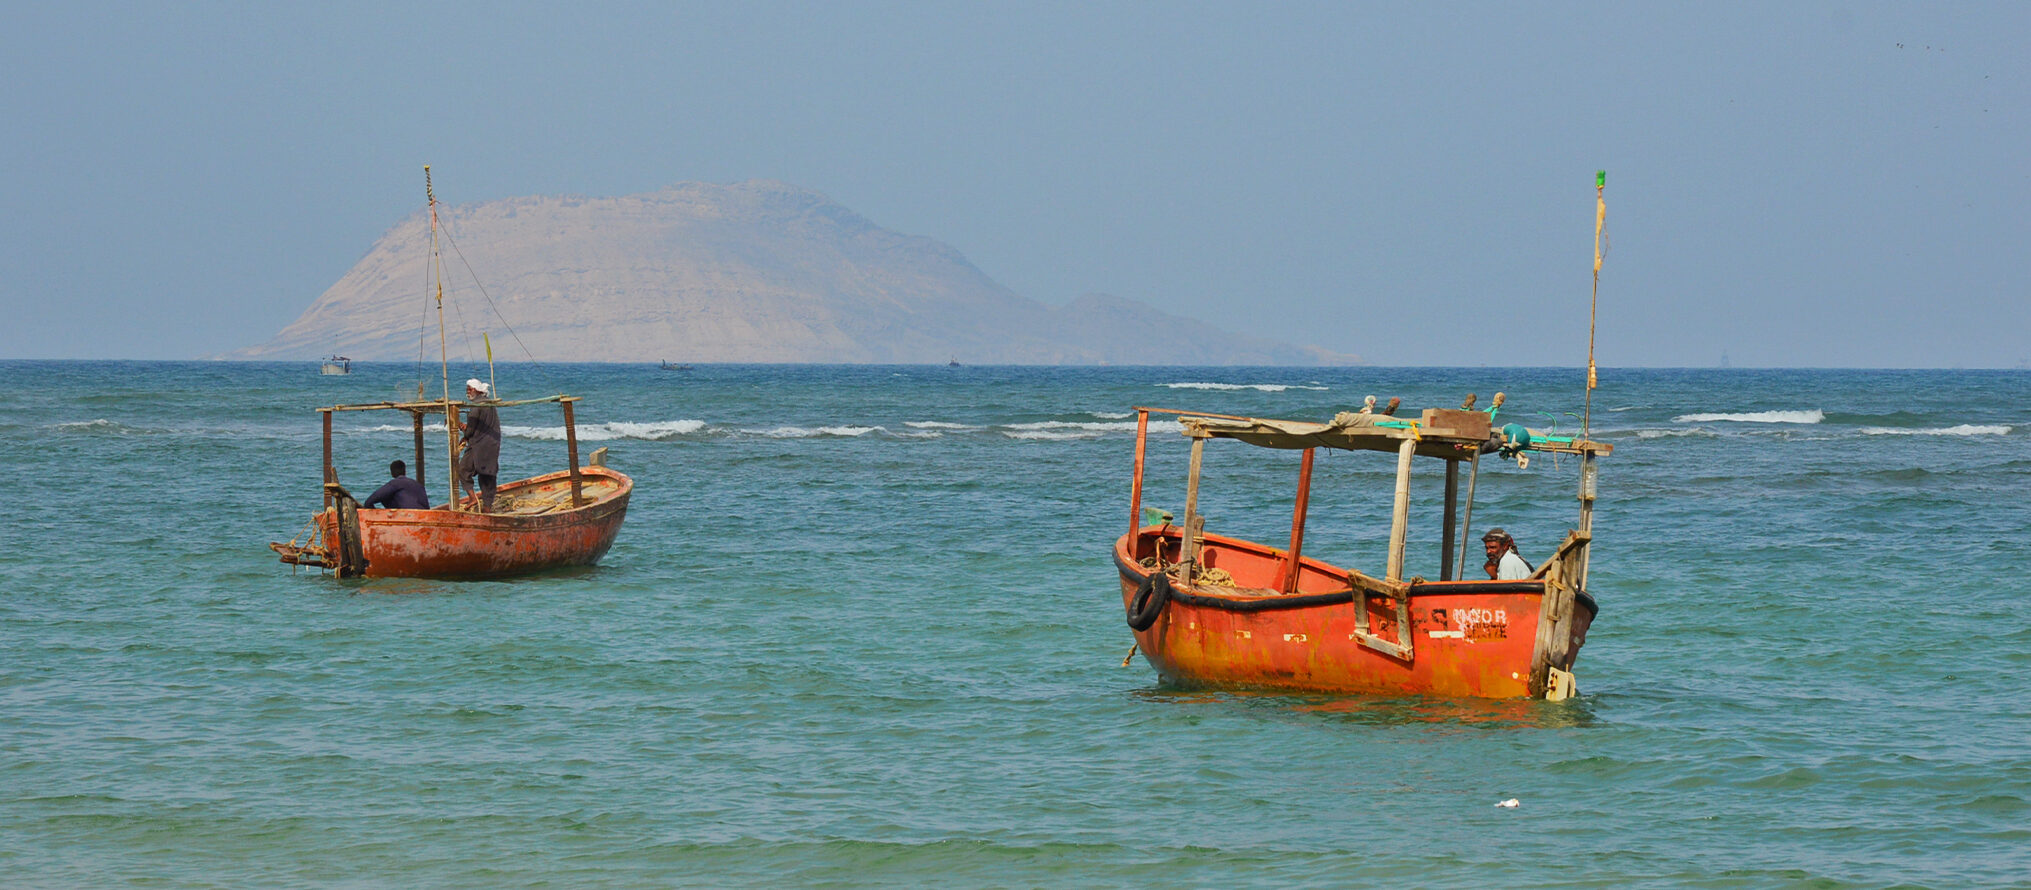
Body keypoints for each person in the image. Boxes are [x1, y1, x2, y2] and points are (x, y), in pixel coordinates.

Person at [458, 378, 501, 512]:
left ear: (476, 390)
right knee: (487, 475)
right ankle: (487, 508)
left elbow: (471, 431)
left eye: (469, 389)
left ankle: (472, 498)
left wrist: (461, 427)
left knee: (463, 470)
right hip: (493, 444)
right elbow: (480, 426)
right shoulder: (489, 404)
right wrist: (466, 433)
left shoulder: (476, 406)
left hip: (479, 445)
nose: (468, 392)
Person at [363, 460, 431, 509]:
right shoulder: (419, 485)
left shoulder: (394, 483)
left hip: (406, 517)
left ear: (392, 473)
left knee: (385, 497)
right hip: (424, 517)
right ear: (405, 471)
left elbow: (369, 502)